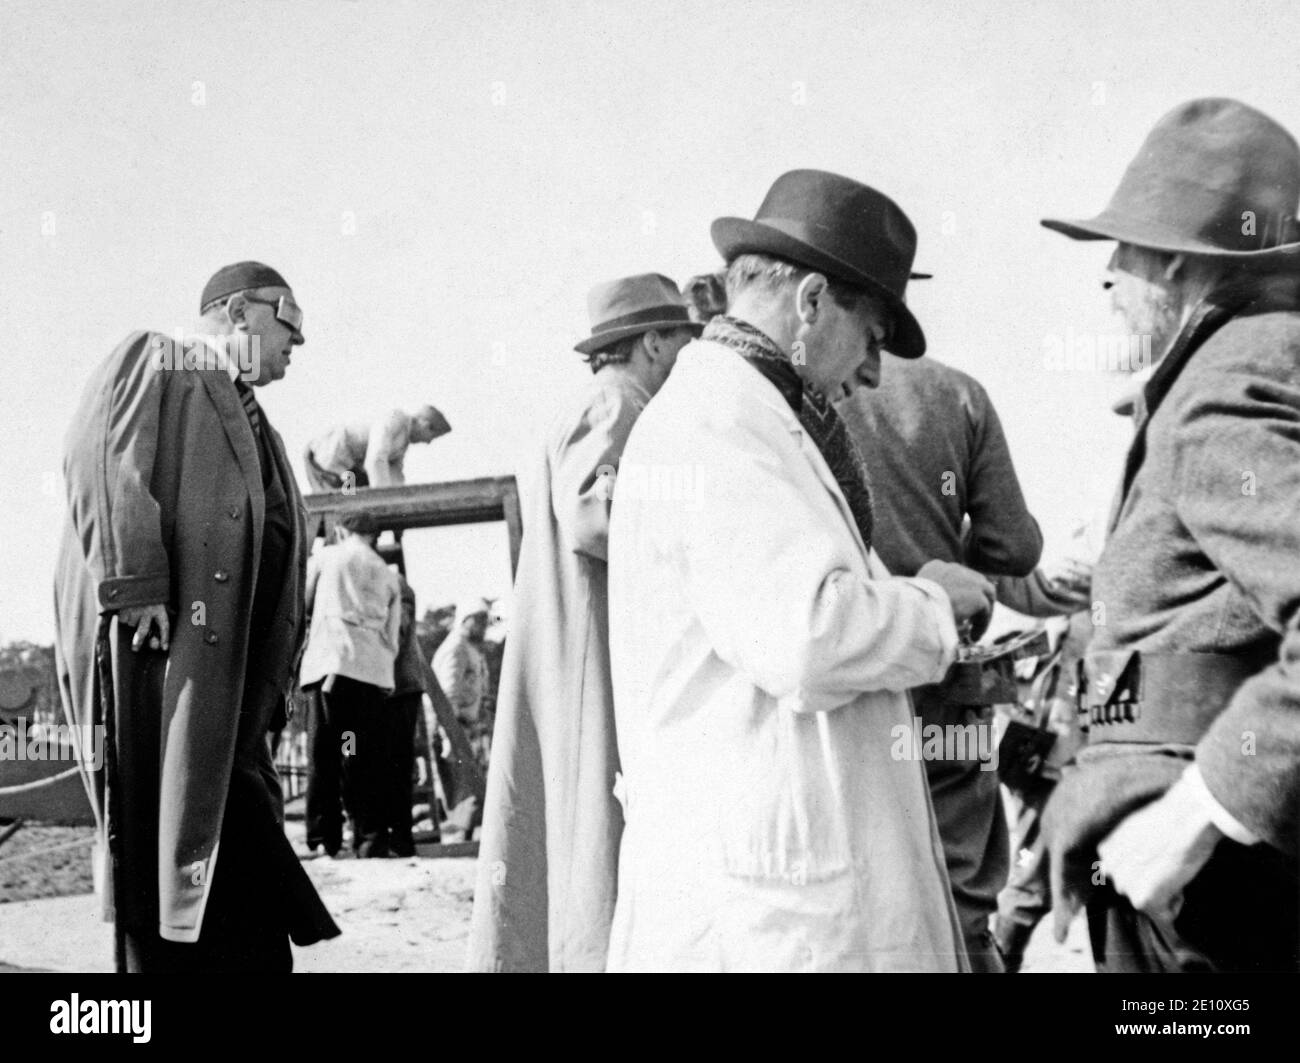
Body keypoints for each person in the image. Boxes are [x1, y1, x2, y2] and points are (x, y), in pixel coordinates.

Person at [605, 170, 997, 971]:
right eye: (875, 335)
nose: (877, 371)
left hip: (785, 888)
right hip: (764, 911)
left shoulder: (757, 413)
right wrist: (932, 605)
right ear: (812, 301)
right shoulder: (717, 423)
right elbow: (807, 636)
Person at [1040, 97, 1300, 973]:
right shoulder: (1239, 366)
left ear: (1188, 266)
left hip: (1214, 888)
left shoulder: (1227, 381)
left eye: (1130, 247)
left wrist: (1206, 807)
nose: (1108, 272)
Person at [53, 260, 339, 972]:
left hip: (228, 693)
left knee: (222, 868)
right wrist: (136, 580)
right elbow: (98, 455)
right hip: (161, 668)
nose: (297, 343)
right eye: (290, 320)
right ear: (239, 312)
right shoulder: (160, 356)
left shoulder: (255, 421)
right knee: (165, 855)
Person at [466, 273, 700, 972]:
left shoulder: (603, 399)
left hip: (572, 641)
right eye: (683, 341)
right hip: (594, 643)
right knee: (594, 823)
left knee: (566, 821)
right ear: (654, 343)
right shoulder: (618, 400)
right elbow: (594, 512)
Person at [838, 353, 1043, 970]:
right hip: (943, 680)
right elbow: (1016, 545)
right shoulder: (957, 393)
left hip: (846, 675)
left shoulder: (796, 393)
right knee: (962, 890)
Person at [300, 510, 403, 858]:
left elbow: (303, 602)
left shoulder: (328, 556)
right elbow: (393, 636)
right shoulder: (388, 575)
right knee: (361, 756)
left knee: (324, 754)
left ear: (343, 531)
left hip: (332, 664)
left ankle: (324, 838)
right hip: (371, 674)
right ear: (374, 536)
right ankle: (369, 838)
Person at [304, 405, 451, 492]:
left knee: (357, 494)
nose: (428, 442)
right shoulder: (395, 420)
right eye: (431, 437)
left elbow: (395, 473)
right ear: (425, 424)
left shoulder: (402, 443)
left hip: (350, 466)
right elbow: (376, 458)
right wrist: (382, 498)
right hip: (332, 455)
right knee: (349, 498)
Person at [385, 573, 427, 856]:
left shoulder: (395, 585)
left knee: (398, 761)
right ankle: (393, 834)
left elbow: (399, 628)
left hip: (398, 689)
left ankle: (400, 836)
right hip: (390, 687)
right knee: (351, 749)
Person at [432, 597, 492, 767]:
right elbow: (448, 694)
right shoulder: (457, 647)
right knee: (463, 790)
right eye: (479, 619)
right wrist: (450, 737)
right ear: (466, 620)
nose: (484, 625)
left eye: (485, 620)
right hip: (455, 732)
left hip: (467, 730)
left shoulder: (469, 647)